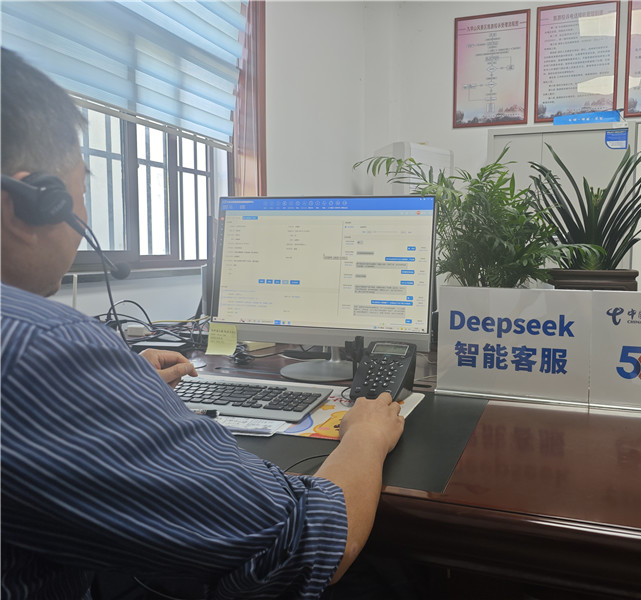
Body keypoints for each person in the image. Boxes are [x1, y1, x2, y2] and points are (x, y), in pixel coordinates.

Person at [0, 48, 404, 599]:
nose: (85, 218)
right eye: (82, 195)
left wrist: (114, 389)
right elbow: (311, 540)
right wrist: (366, 436)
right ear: (28, 206)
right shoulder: (41, 346)